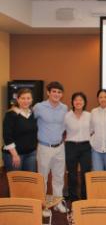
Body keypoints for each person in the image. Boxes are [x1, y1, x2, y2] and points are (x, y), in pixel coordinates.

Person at [33, 81, 68, 213]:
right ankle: (43, 206)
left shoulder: (64, 108)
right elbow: (30, 121)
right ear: (48, 92)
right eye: (54, 91)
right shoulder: (39, 107)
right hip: (44, 147)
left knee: (59, 177)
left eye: (59, 92)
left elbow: (65, 126)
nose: (56, 94)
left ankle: (57, 203)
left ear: (62, 94)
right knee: (43, 178)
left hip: (60, 147)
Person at [64, 92, 92, 201]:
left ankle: (85, 196)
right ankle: (73, 197)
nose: (78, 102)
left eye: (81, 100)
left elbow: (93, 130)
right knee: (72, 173)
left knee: (86, 172)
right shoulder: (67, 116)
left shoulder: (89, 115)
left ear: (84, 102)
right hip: (71, 146)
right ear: (72, 102)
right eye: (76, 100)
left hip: (86, 146)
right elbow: (61, 130)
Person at [2, 88, 37, 172]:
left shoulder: (32, 114)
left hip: (30, 154)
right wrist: (15, 155)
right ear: (17, 99)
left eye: (28, 98)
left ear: (32, 100)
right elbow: (7, 136)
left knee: (29, 181)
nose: (26, 101)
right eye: (23, 98)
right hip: (14, 154)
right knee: (16, 183)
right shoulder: (11, 114)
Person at [90, 89, 106, 171]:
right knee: (97, 177)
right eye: (101, 97)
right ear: (98, 99)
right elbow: (90, 129)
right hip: (96, 149)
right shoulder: (93, 112)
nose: (103, 99)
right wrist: (91, 141)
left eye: (105, 97)